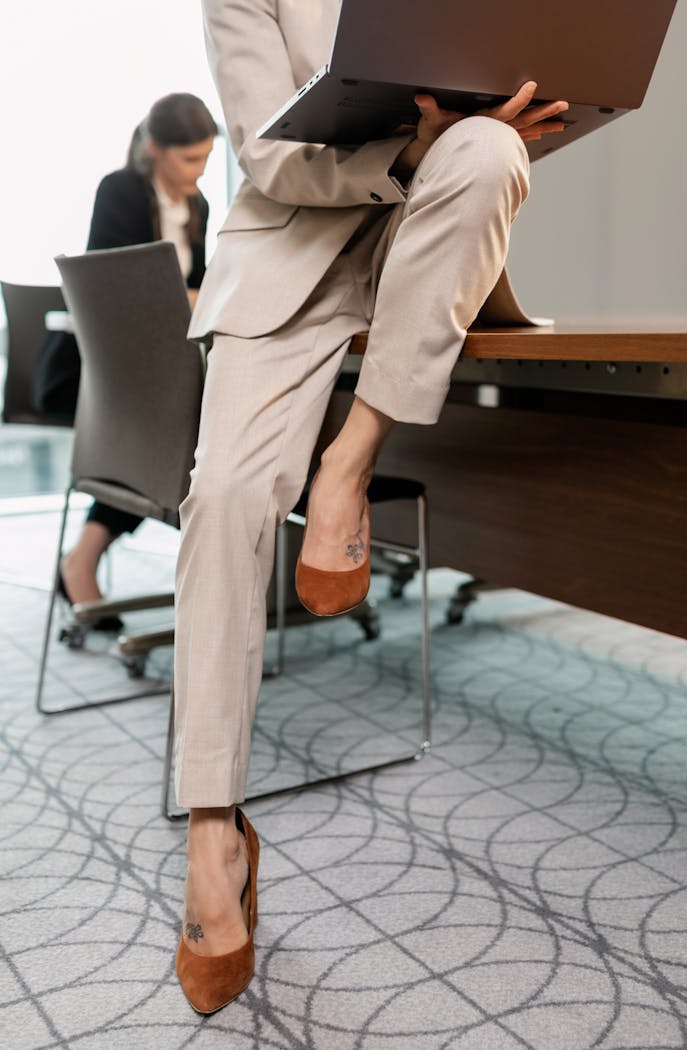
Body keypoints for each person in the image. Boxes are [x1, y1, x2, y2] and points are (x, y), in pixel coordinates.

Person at [173, 0, 569, 1015]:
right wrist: (406, 146)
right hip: (292, 249)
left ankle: (347, 464)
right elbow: (267, 153)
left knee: (484, 146)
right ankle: (214, 829)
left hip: (435, 225)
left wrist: (501, 117)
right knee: (222, 495)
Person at [47, 93, 217, 619]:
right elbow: (117, 284)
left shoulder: (198, 205)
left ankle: (82, 557)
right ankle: (82, 560)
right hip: (99, 367)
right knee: (175, 438)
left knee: (192, 429)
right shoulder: (121, 190)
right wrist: (198, 296)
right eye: (189, 158)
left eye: (207, 157)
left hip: (160, 366)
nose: (200, 169)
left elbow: (198, 286)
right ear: (155, 149)